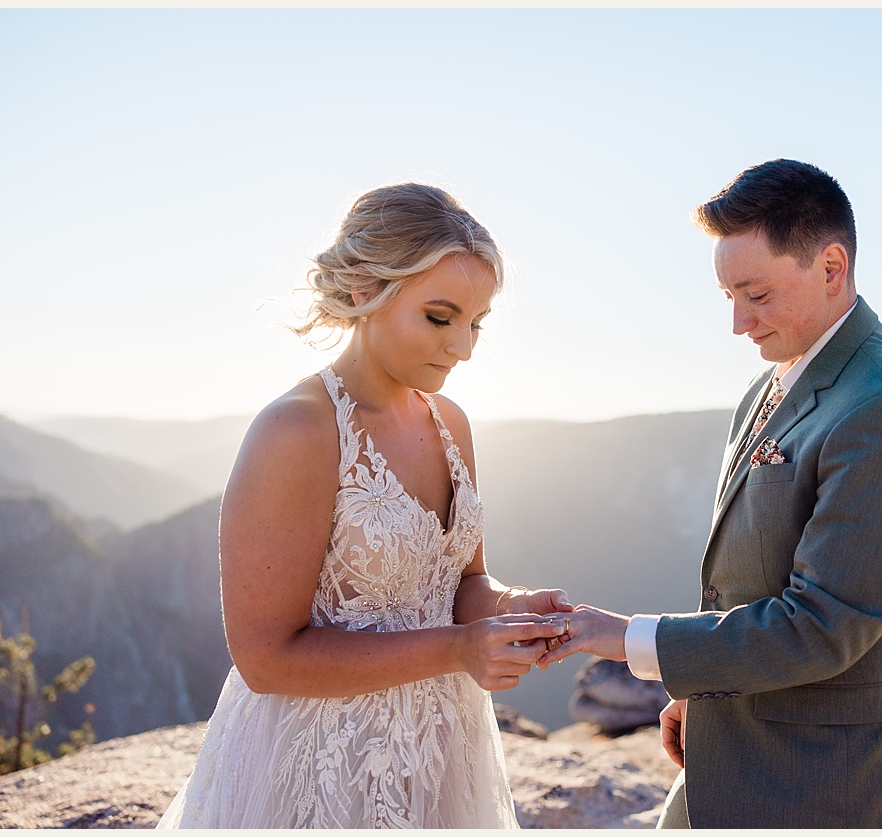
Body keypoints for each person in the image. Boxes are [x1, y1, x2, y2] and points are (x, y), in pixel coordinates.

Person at [534, 160, 882, 828]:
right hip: (733, 744)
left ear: (831, 266)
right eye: (728, 295)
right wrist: (699, 687)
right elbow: (744, 575)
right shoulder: (769, 384)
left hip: (826, 782)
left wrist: (626, 637)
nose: (738, 323)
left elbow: (823, 625)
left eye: (756, 295)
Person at [160, 184, 576, 828]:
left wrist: (506, 608)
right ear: (362, 290)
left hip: (442, 757)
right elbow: (265, 658)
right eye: (440, 318)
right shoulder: (297, 431)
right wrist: (461, 650)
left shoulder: (450, 423)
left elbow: (459, 582)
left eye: (475, 322)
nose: (462, 347)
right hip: (318, 767)